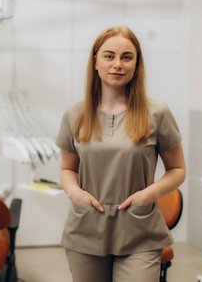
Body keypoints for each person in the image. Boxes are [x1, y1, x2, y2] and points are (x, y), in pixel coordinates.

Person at [56, 26, 186, 282]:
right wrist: (75, 193)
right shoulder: (75, 114)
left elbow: (177, 170)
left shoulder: (157, 112)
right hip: (86, 228)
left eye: (127, 57)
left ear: (137, 64)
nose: (117, 64)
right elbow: (67, 168)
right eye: (109, 56)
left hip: (139, 231)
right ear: (95, 61)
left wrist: (149, 194)